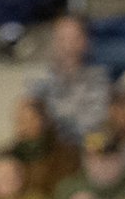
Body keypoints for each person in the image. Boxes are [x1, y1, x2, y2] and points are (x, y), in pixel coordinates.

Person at [30, 14, 110, 143]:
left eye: (75, 38)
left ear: (86, 41)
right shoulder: (38, 80)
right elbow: (31, 121)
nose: (68, 46)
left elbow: (96, 124)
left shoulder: (99, 78)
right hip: (50, 147)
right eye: (62, 39)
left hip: (88, 146)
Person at [8, 97, 80, 197]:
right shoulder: (9, 157)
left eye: (31, 120)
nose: (25, 127)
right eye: (20, 121)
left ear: (44, 120)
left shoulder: (67, 156)